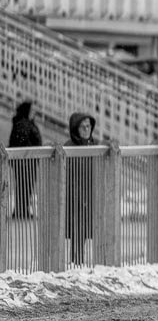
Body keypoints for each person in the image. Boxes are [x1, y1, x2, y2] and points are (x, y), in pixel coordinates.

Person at [65, 112, 98, 264]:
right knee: (77, 231)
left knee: (86, 231)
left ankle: (83, 262)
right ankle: (75, 262)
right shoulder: (69, 147)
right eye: (82, 126)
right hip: (75, 197)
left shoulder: (95, 145)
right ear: (75, 129)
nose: (86, 129)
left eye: (88, 126)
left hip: (90, 195)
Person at [8, 101, 43, 218]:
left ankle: (22, 209)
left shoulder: (27, 123)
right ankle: (20, 210)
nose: (34, 113)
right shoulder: (22, 124)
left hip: (29, 161)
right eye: (32, 110)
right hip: (24, 161)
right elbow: (22, 142)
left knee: (26, 185)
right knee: (24, 185)